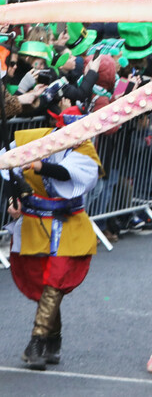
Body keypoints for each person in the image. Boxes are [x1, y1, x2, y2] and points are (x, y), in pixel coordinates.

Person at [2, 107, 101, 369]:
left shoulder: (85, 150)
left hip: (68, 225)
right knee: (42, 283)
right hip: (34, 223)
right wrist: (14, 197)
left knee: (54, 281)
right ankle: (53, 338)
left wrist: (39, 164)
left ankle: (36, 342)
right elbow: (6, 164)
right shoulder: (35, 139)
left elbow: (68, 174)